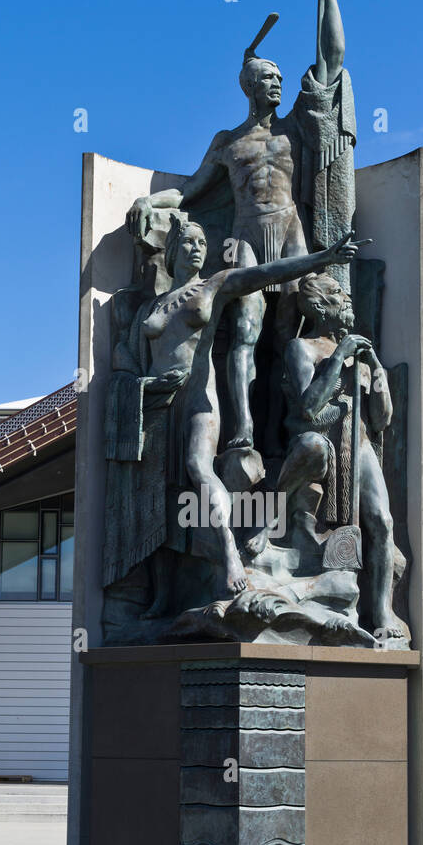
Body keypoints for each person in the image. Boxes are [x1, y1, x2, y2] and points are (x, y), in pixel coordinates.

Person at [126, 0, 356, 452]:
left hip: (292, 233)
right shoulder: (229, 141)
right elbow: (190, 190)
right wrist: (150, 197)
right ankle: (243, 433)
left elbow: (333, 58)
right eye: (269, 79)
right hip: (246, 238)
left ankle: (287, 428)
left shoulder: (297, 130)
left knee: (291, 336)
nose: (278, 83)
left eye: (280, 79)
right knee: (246, 335)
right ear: (251, 86)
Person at [109, 218, 362, 608]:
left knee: (198, 467)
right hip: (157, 406)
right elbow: (125, 357)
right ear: (173, 251)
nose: (197, 248)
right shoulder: (150, 305)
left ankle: (230, 552)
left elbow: (265, 273)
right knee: (161, 496)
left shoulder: (214, 285)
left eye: (202, 243)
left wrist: (322, 258)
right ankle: (162, 597)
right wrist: (137, 385)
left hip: (197, 399)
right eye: (188, 242)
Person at [244, 270, 407, 643]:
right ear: (318, 305)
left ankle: (380, 609)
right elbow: (306, 408)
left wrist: (378, 377)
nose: (347, 300)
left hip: (360, 442)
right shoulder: (302, 348)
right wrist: (339, 358)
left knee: (381, 521)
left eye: (346, 294)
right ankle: (268, 518)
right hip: (317, 437)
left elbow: (381, 421)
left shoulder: (363, 360)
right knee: (313, 446)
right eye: (337, 293)